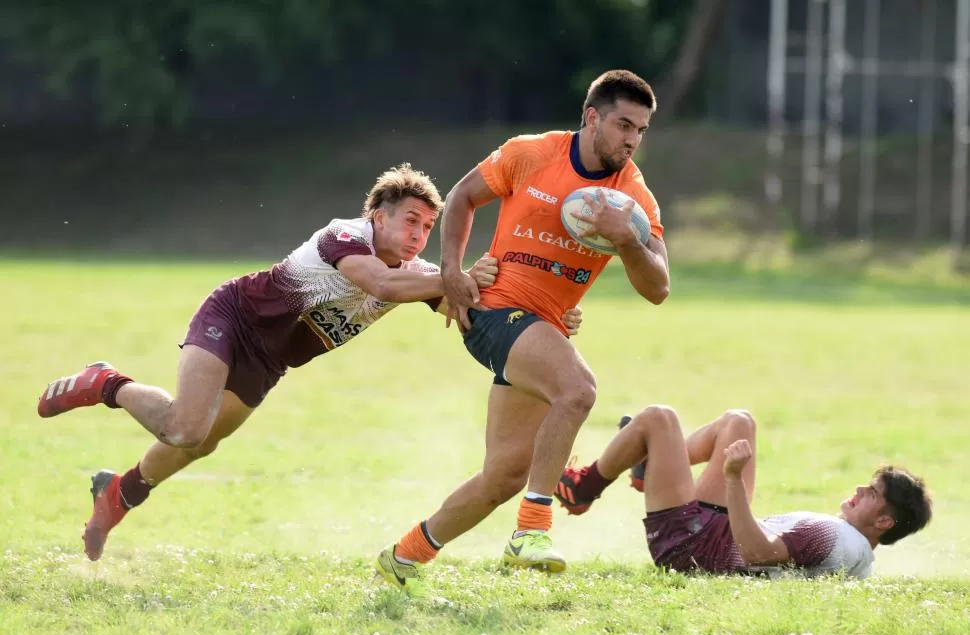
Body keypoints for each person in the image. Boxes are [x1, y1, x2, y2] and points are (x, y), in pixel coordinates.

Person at [37, 163, 583, 562]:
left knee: (201, 443)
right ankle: (106, 382)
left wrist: (544, 318)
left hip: (272, 358)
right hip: (235, 318)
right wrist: (453, 278)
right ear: (377, 216)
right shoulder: (346, 235)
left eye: (426, 228)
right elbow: (382, 283)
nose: (419, 237)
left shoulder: (419, 271)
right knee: (186, 426)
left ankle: (120, 492)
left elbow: (471, 311)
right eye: (410, 222)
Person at [377, 69, 670, 594]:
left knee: (505, 475)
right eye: (624, 124)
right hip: (493, 312)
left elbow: (659, 287)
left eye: (641, 130)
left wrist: (627, 241)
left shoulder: (632, 198)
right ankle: (531, 530)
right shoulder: (532, 153)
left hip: (545, 330)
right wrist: (451, 272)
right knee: (578, 390)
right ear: (592, 117)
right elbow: (463, 197)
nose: (631, 139)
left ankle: (403, 557)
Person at [554, 406, 933, 578]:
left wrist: (733, 478)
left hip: (691, 549)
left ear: (884, 520)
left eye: (870, 493)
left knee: (658, 418)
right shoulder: (856, 548)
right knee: (739, 420)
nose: (858, 488)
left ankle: (584, 488)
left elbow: (755, 553)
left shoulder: (832, 537)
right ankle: (651, 467)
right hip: (712, 534)